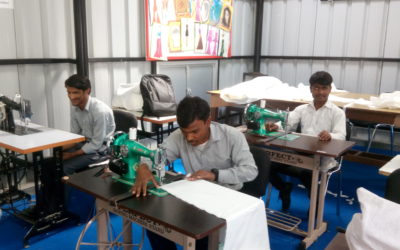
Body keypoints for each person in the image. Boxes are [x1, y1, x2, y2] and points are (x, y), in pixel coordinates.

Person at [132, 96, 258, 250]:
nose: (190, 138)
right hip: (195, 196)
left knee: (200, 240)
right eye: (185, 132)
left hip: (226, 197)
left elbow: (250, 170)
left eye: (195, 131)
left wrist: (215, 175)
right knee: (154, 224)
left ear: (208, 121)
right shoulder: (179, 136)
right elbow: (159, 157)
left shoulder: (232, 136)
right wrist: (144, 167)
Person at [265, 71, 346, 212]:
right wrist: (276, 126)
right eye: (316, 88)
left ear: (330, 89)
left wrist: (331, 136)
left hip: (322, 158)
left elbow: (342, 136)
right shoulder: (302, 109)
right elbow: (287, 123)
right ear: (310, 89)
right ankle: (284, 188)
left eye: (324, 88)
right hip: (299, 155)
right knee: (267, 165)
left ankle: (314, 208)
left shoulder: (337, 113)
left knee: (308, 175)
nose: (320, 92)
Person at [62, 74, 115, 175]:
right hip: (85, 143)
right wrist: (57, 148)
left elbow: (96, 144)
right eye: (69, 92)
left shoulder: (100, 111)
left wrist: (71, 155)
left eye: (75, 93)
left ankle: (69, 190)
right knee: (51, 162)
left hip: (101, 150)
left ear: (88, 91)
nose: (71, 97)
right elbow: (75, 136)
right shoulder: (75, 108)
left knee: (64, 168)